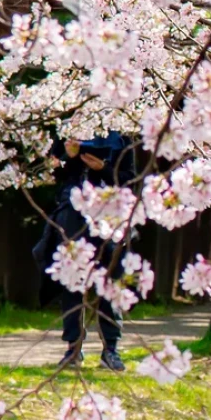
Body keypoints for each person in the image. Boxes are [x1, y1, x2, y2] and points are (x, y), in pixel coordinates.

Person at [38, 131, 136, 371]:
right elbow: (50, 173)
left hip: (110, 214)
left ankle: (110, 349)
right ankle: (73, 347)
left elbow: (130, 179)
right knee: (72, 279)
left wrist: (103, 168)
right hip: (73, 212)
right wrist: (68, 157)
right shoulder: (70, 129)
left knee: (109, 280)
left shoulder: (123, 136)